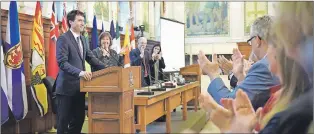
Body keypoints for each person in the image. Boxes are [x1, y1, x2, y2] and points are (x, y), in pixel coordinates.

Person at [198, 15, 280, 109]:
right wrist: (241, 77)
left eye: (250, 41)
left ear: (257, 40)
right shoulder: (284, 60)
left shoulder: (263, 67)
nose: (251, 46)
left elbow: (232, 105)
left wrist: (213, 74)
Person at [55, 10, 104, 134]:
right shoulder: (63, 39)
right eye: (79, 20)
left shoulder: (83, 39)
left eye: (83, 20)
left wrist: (108, 69)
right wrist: (80, 72)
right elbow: (62, 63)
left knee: (79, 119)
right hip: (66, 88)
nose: (83, 23)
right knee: (63, 122)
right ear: (71, 22)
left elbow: (90, 57)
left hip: (80, 87)